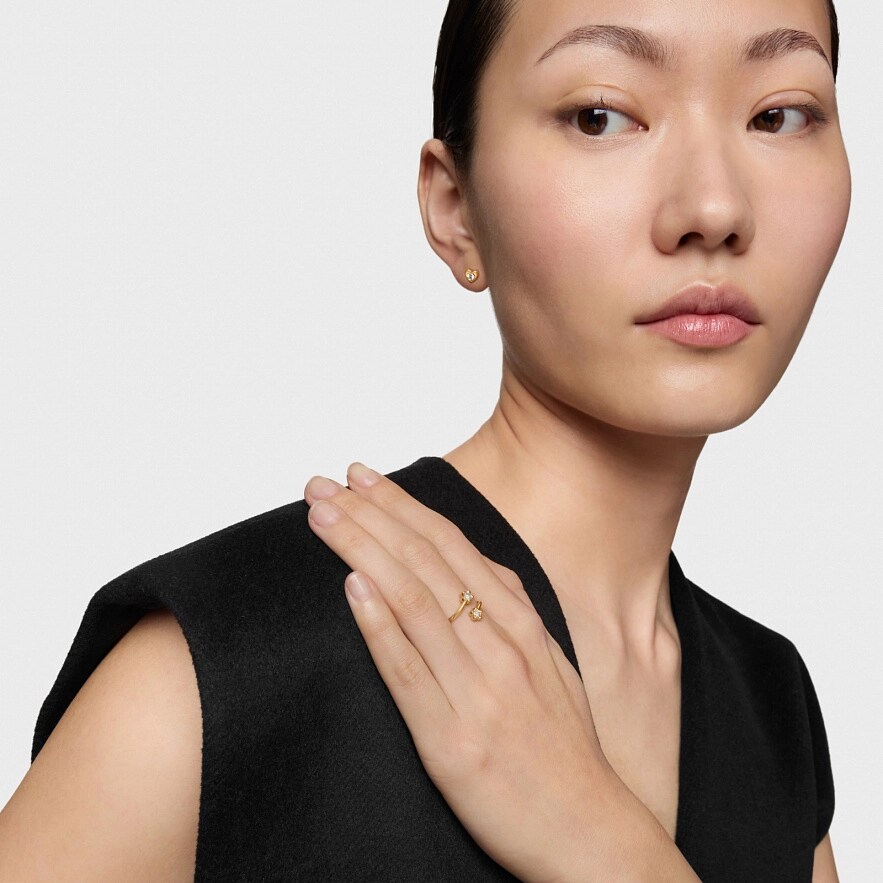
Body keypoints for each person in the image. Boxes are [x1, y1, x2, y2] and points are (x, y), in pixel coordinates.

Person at [0, 0, 847, 879]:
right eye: (600, 115)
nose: (712, 208)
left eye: (778, 115)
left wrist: (605, 844)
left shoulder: (770, 706)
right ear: (454, 207)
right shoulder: (227, 666)